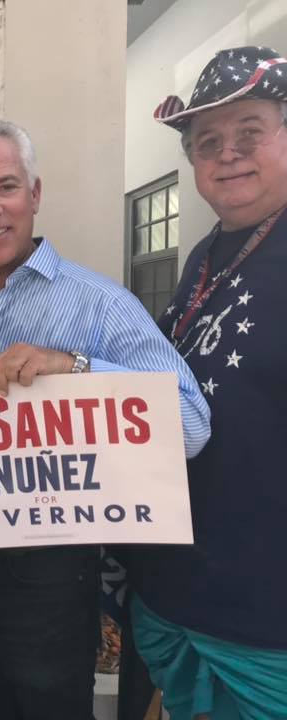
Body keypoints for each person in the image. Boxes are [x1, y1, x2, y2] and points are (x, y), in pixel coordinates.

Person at [0, 116, 211, 720]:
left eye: (5, 186)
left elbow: (189, 424)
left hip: (52, 573)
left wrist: (78, 368)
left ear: (35, 194)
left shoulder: (98, 303)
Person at [129, 46, 287, 720]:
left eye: (249, 132)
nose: (228, 154)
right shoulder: (207, 253)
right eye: (207, 142)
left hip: (265, 625)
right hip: (178, 602)